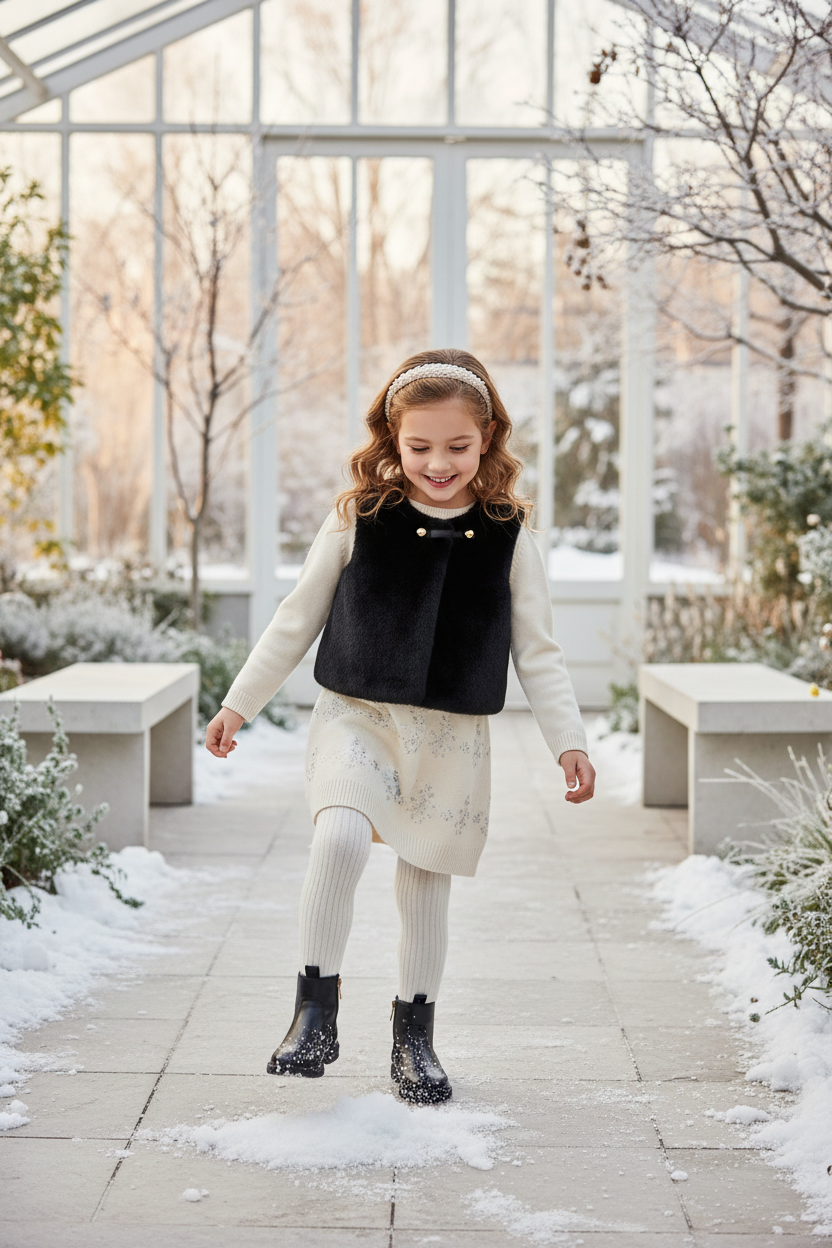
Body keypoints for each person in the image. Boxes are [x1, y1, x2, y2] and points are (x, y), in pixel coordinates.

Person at [205, 347, 595, 1105]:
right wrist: (238, 702)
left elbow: (539, 652)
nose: (438, 463)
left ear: (487, 439)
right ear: (393, 438)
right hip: (359, 716)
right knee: (341, 836)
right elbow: (296, 619)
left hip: (451, 739)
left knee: (423, 885)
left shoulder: (511, 534)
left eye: (457, 446)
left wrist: (569, 740)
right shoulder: (360, 516)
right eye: (420, 447)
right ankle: (313, 1013)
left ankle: (414, 1040)